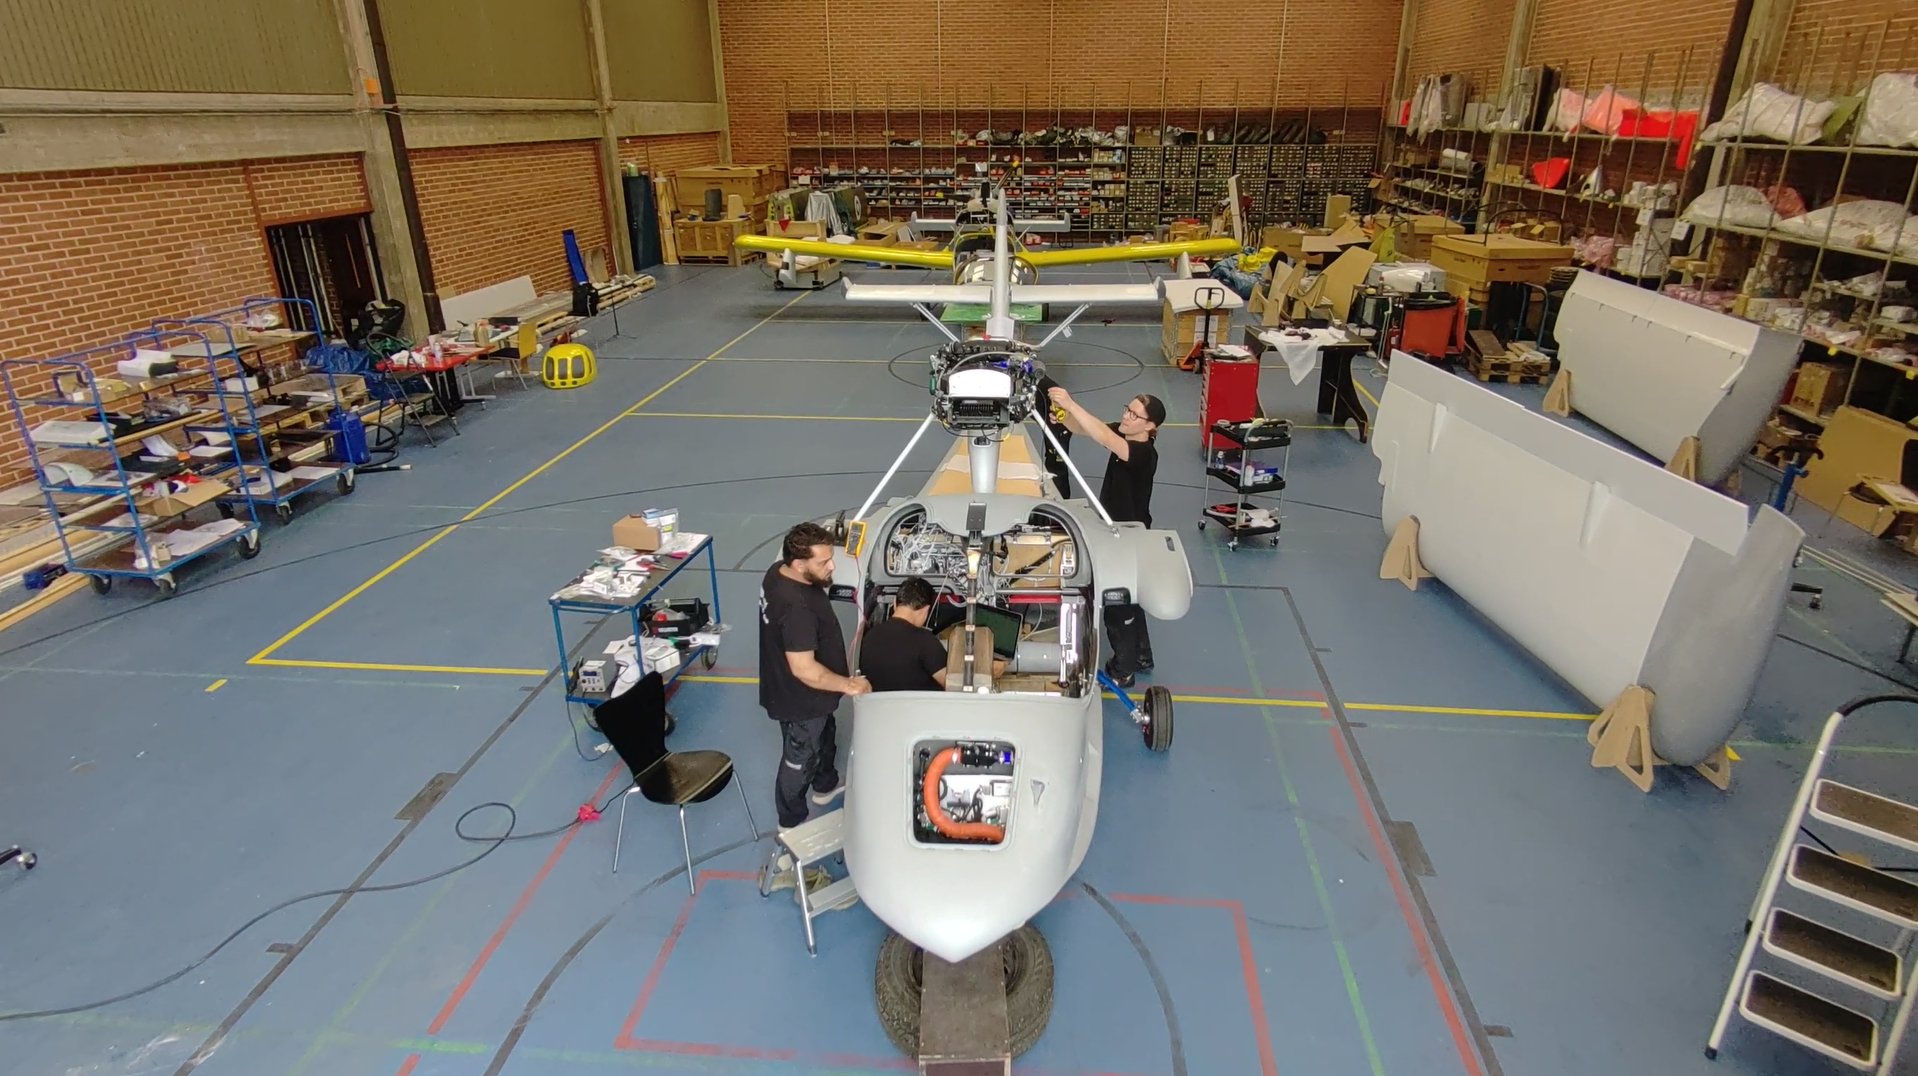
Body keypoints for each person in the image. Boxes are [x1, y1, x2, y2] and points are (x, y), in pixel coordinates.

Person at [1047, 386, 1164, 686]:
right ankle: (1142, 654)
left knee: (1117, 602)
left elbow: (1103, 437)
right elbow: (1087, 428)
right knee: (1133, 596)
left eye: (1134, 415)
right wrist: (1063, 417)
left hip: (1126, 535)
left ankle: (1122, 671)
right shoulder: (1125, 435)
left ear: (1150, 426)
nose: (1126, 417)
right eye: (1127, 409)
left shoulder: (1142, 454)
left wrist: (1071, 403)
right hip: (1113, 526)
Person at [759, 521, 869, 831]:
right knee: (799, 759)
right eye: (824, 562)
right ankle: (790, 820)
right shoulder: (797, 607)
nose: (832, 567)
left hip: (810, 694)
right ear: (799, 564)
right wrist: (849, 685)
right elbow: (804, 669)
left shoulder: (777, 571)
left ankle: (825, 784)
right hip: (801, 700)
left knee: (825, 734)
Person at [858, 576, 949, 692]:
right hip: (919, 703)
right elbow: (950, 683)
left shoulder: (869, 636)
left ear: (895, 603)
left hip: (876, 703)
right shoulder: (925, 641)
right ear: (926, 610)